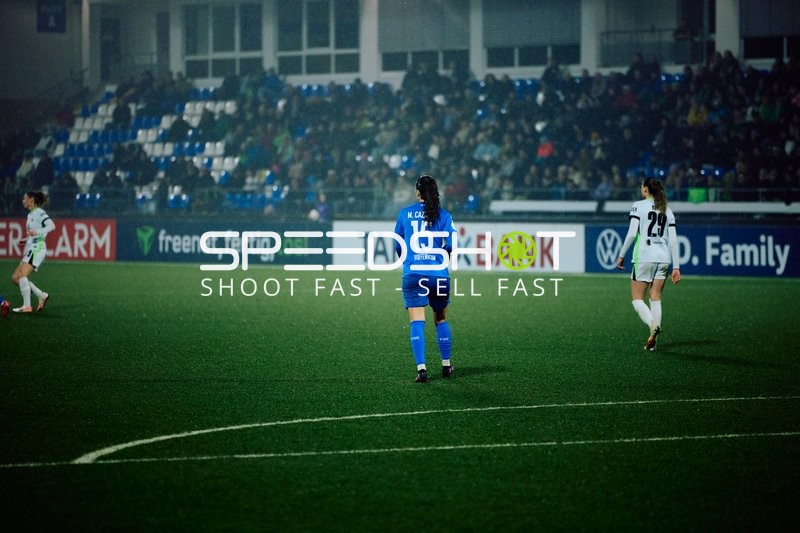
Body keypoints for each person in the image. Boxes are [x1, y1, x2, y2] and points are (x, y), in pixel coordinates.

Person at [393, 175, 457, 382]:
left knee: (416, 320)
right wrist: (443, 256)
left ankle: (421, 369)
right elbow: (453, 243)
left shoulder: (404, 213)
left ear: (417, 192)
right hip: (438, 274)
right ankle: (446, 366)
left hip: (413, 274)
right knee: (441, 318)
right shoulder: (444, 215)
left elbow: (397, 244)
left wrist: (407, 261)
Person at [615, 178, 681, 350]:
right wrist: (677, 267)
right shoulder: (668, 210)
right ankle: (653, 342)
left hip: (644, 256)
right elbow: (673, 241)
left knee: (637, 300)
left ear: (645, 190)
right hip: (664, 257)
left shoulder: (639, 206)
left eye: (641, 186)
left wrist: (621, 255)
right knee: (656, 298)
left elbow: (631, 234)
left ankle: (652, 324)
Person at [11, 191, 54, 313]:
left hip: (37, 248)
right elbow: (34, 233)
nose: (23, 200)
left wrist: (38, 233)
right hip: (31, 247)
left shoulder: (39, 212)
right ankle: (41, 295)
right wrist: (26, 239)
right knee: (16, 278)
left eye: (25, 198)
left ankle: (27, 306)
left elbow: (51, 226)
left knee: (23, 275)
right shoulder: (30, 215)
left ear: (31, 200)